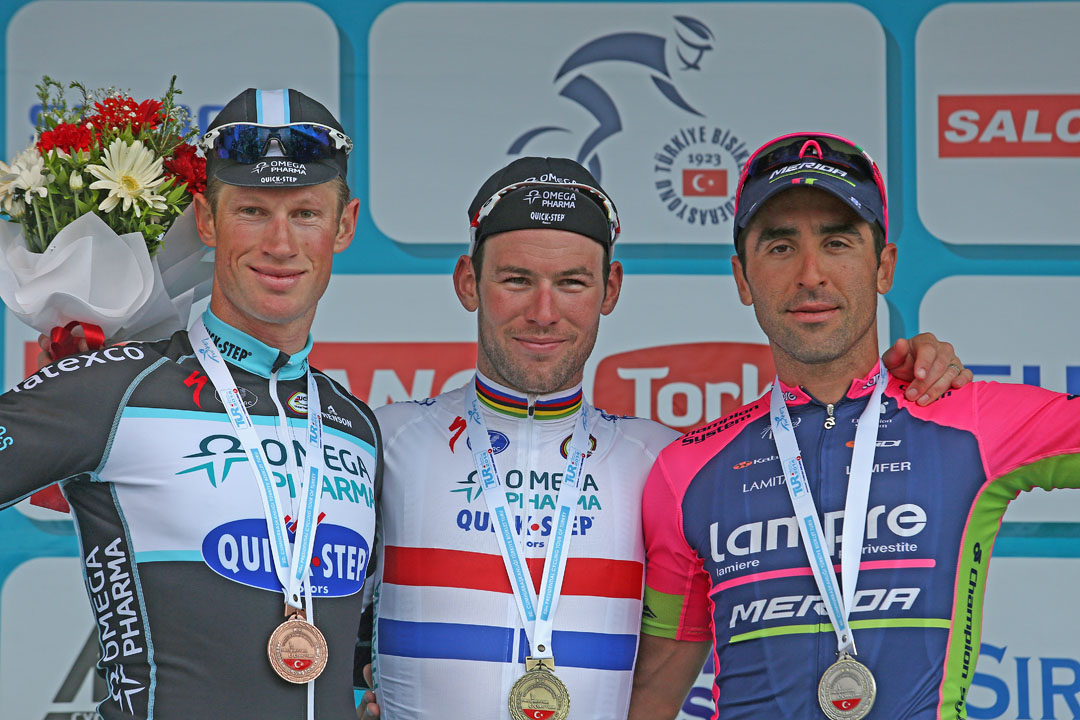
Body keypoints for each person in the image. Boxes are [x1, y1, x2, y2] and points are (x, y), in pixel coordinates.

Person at [357, 156, 969, 720]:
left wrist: (908, 376)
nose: (543, 312)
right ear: (468, 282)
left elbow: (825, 471)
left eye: (572, 283)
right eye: (516, 280)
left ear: (611, 289)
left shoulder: (667, 461)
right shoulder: (383, 441)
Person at [629, 132, 1080, 720]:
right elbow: (654, 695)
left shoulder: (971, 419)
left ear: (883, 266)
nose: (811, 274)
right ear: (743, 278)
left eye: (838, 242)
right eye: (780, 246)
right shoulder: (685, 471)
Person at [0, 88, 379, 720]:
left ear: (344, 225)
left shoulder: (356, 424)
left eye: (306, 213)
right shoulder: (112, 387)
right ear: (205, 219)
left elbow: (368, 641)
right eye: (253, 211)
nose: (280, 244)